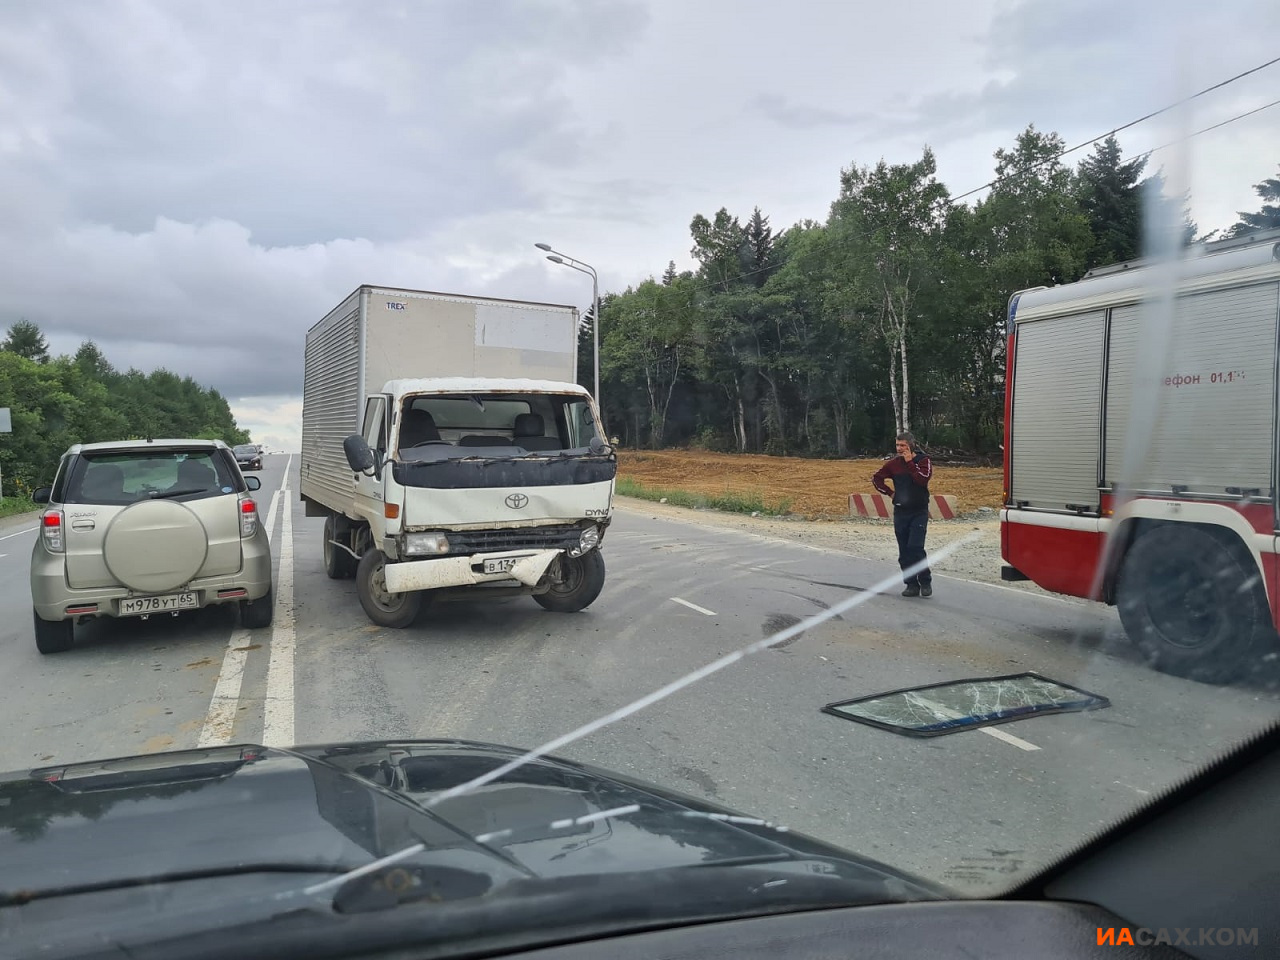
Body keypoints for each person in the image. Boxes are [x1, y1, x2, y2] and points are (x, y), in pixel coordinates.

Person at [871, 432, 933, 598]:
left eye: (903, 446)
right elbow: (876, 479)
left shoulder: (923, 461)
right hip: (901, 512)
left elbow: (922, 480)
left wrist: (910, 463)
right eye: (897, 445)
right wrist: (890, 493)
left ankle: (925, 580)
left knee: (916, 547)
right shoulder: (894, 464)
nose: (899, 449)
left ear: (911, 446)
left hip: (919, 511)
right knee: (904, 551)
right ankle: (911, 584)